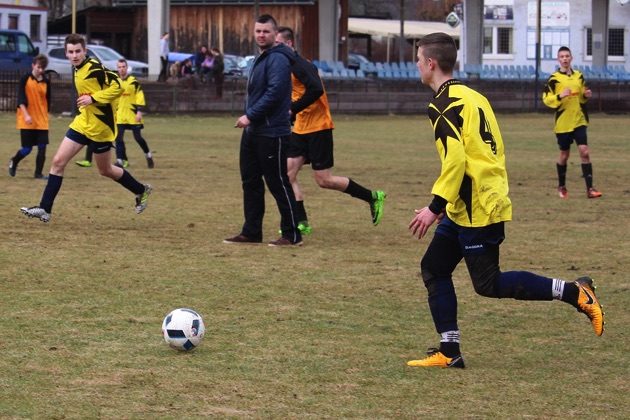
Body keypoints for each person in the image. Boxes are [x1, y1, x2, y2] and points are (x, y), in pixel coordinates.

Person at [406, 33, 604, 369]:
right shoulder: (473, 96)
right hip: (471, 201)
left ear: (430, 64)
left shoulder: (440, 105)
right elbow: (489, 148)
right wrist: (453, 202)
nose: (416, 67)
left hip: (477, 206)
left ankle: (575, 292)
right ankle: (449, 352)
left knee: (488, 283)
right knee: (434, 268)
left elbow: (455, 161)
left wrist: (435, 206)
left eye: (417, 60)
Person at [20, 34, 152, 223]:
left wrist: (93, 98)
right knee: (57, 162)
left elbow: (117, 86)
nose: (74, 55)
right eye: (71, 52)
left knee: (105, 170)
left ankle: (141, 190)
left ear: (85, 50)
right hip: (83, 122)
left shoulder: (94, 67)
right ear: (66, 53)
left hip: (101, 127)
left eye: (78, 51)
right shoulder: (76, 68)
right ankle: (44, 209)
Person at [275, 27, 385, 235]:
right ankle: (301, 221)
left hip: (319, 127)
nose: (275, 49)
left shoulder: (301, 65)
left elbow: (315, 90)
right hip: (300, 127)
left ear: (289, 45)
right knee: (287, 175)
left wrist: (292, 109)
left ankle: (372, 197)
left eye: (279, 45)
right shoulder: (284, 66)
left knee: (324, 180)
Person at [223, 14, 302, 247]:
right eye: (258, 31)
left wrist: (250, 115)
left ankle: (292, 234)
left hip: (272, 132)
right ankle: (251, 232)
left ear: (274, 34)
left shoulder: (277, 59)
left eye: (266, 31)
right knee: (250, 181)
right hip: (253, 132)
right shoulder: (263, 57)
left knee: (278, 183)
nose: (261, 35)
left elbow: (275, 92)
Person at [542, 46, 601, 199]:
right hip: (563, 123)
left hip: (579, 120)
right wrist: (560, 96)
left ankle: (590, 189)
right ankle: (562, 186)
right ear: (558, 59)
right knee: (564, 155)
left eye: (567, 56)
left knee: (585, 152)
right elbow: (547, 99)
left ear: (571, 58)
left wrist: (586, 95)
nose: (565, 59)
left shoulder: (579, 76)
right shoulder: (553, 79)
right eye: (562, 56)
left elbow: (582, 97)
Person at [9, 54, 51, 179]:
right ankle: (14, 161)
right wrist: (26, 115)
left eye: (43, 68)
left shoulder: (46, 82)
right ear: (33, 65)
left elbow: (48, 100)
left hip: (41, 120)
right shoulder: (25, 79)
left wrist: (46, 114)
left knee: (42, 148)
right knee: (27, 149)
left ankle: (38, 174)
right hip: (26, 120)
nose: (41, 70)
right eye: (38, 67)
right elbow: (20, 99)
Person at [113, 58, 154, 169]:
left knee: (138, 138)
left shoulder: (133, 81)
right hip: (120, 115)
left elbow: (139, 96)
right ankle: (120, 161)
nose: (121, 69)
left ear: (127, 68)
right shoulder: (115, 82)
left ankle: (148, 155)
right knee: (118, 138)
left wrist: (139, 111)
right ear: (117, 68)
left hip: (133, 114)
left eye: (123, 67)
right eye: (119, 67)